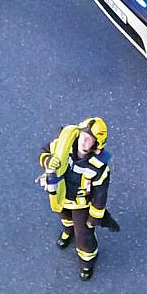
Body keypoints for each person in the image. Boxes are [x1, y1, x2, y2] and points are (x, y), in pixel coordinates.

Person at [43, 116, 118, 279]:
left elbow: (100, 195)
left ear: (96, 145)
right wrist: (48, 160)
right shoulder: (62, 146)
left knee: (84, 235)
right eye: (84, 136)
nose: (84, 141)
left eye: (89, 140)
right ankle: (68, 231)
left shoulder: (99, 167)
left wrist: (94, 217)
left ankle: (87, 262)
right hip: (60, 197)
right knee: (64, 218)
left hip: (81, 205)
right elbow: (44, 151)